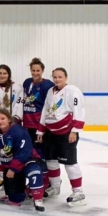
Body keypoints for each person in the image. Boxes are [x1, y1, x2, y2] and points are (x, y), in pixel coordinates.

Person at [38, 67, 86, 206]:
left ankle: (78, 191)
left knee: (70, 163)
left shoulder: (72, 90)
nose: (57, 79)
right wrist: (41, 130)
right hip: (51, 133)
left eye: (60, 77)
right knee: (51, 161)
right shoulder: (50, 91)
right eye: (55, 77)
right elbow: (45, 110)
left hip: (66, 133)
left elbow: (79, 110)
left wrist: (74, 131)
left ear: (66, 77)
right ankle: (55, 187)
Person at [0, 109, 45, 212]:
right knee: (15, 200)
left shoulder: (19, 131)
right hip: (11, 164)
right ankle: (26, 191)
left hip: (28, 159)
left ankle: (38, 199)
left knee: (34, 171)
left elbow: (24, 152)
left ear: (9, 119)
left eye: (3, 119)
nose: (0, 121)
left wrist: (13, 169)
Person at [0, 64, 24, 185]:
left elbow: (19, 104)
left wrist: (14, 119)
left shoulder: (17, 87)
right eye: (0, 73)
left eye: (5, 73)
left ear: (9, 75)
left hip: (12, 124)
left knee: (12, 150)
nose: (2, 75)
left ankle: (14, 173)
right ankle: (1, 177)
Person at [22, 58, 55, 143]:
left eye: (38, 70)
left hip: (39, 124)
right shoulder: (27, 82)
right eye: (33, 70)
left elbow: (49, 106)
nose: (35, 73)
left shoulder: (48, 85)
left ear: (42, 71)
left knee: (40, 152)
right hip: (27, 123)